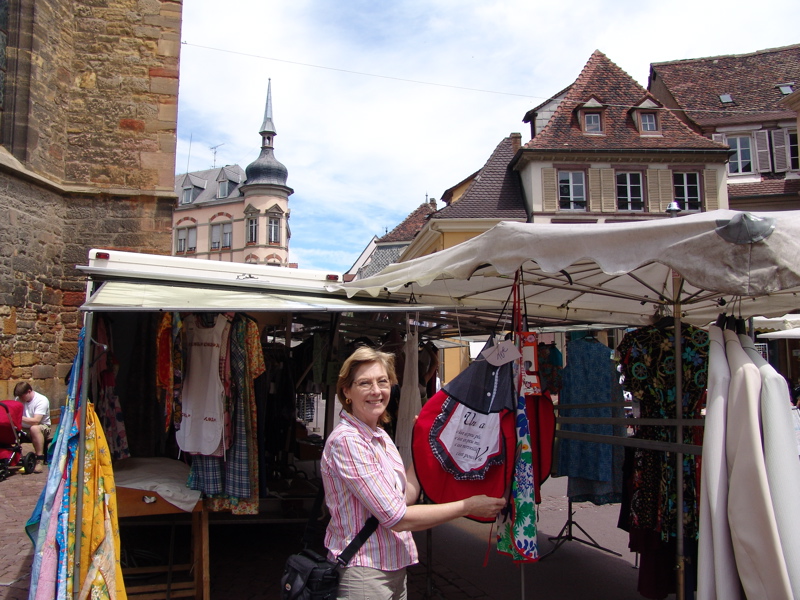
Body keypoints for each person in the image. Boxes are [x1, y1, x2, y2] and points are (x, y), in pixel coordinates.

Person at [321, 346, 506, 600]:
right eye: (365, 383)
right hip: (365, 570)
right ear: (346, 391)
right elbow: (397, 518)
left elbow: (406, 493)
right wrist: (468, 506)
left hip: (393, 566)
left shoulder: (379, 435)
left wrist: (425, 441)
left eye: (382, 381)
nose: (376, 391)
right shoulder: (348, 441)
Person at [14, 382, 51, 471]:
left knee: (34, 428)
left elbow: (36, 421)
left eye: (22, 396)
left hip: (41, 427)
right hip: (23, 427)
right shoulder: (18, 399)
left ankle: (39, 460)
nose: (20, 399)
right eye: (19, 397)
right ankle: (7, 457)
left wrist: (19, 417)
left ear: (29, 391)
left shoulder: (41, 400)